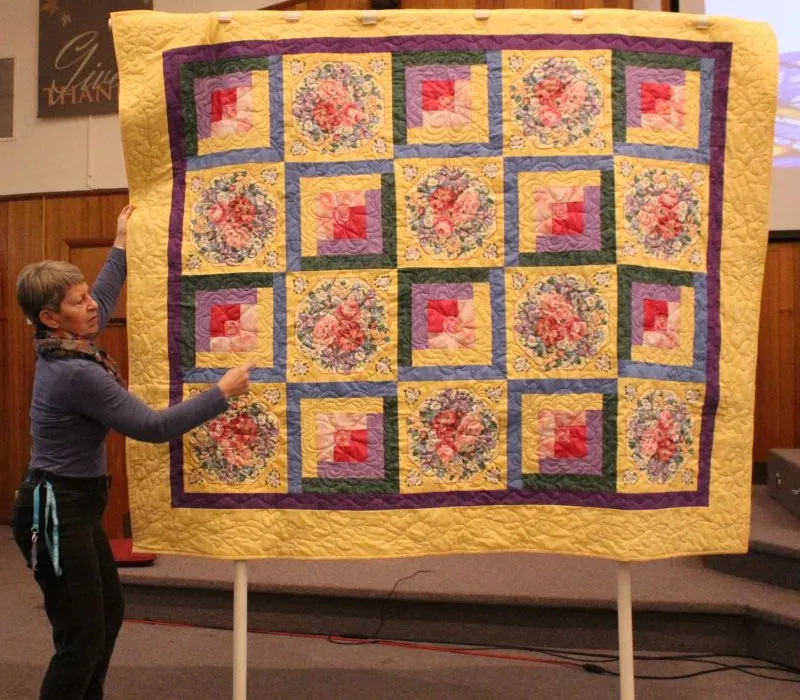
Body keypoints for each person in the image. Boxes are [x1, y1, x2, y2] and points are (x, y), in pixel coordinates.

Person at [10, 204, 252, 700]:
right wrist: (221, 393)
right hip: (55, 512)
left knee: (106, 616)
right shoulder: (76, 372)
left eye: (85, 295)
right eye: (78, 302)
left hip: (72, 507)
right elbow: (151, 427)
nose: (92, 306)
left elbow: (102, 298)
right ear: (51, 318)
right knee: (80, 639)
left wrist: (119, 243)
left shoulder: (64, 345)